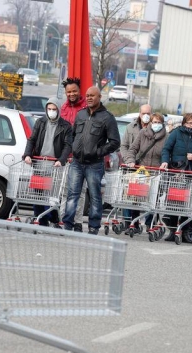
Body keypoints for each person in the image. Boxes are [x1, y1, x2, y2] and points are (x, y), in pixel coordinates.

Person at [63, 86, 119, 235]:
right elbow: (73, 135)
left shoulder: (107, 118)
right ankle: (67, 224)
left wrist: (98, 152)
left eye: (92, 96)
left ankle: (94, 227)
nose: (88, 98)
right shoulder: (80, 115)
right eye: (87, 95)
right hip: (76, 162)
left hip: (95, 164)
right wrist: (73, 148)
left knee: (95, 197)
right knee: (72, 195)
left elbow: (115, 142)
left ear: (99, 97)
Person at [23, 97, 73, 226]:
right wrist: (27, 154)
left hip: (54, 165)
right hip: (39, 163)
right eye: (49, 109)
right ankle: (41, 219)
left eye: (54, 109)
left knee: (51, 196)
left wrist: (61, 160)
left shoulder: (65, 126)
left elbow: (68, 145)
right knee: (38, 194)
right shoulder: (40, 122)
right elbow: (32, 139)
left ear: (58, 110)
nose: (51, 111)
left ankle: (54, 218)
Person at [160, 113, 192, 243]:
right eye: (189, 123)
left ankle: (188, 231)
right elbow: (166, 149)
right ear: (184, 123)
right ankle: (173, 229)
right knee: (174, 202)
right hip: (176, 172)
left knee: (189, 204)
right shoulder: (176, 134)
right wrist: (165, 161)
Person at [124, 112, 168, 230]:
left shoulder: (166, 137)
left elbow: (167, 152)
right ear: (150, 123)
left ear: (163, 124)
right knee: (136, 198)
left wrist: (165, 163)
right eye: (154, 122)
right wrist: (130, 160)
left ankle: (150, 224)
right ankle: (135, 223)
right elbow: (132, 149)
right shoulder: (142, 133)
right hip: (142, 171)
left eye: (159, 123)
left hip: (156, 173)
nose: (156, 124)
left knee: (154, 199)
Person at [60, 77, 87, 232]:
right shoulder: (63, 108)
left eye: (74, 91)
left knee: (80, 191)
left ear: (79, 91)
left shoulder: (86, 108)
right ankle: (65, 219)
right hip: (66, 155)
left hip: (81, 156)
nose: (71, 94)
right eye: (68, 92)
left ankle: (77, 221)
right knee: (64, 190)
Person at [121, 104, 152, 230]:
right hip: (132, 167)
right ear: (139, 114)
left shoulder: (156, 129)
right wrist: (129, 160)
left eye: (148, 113)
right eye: (143, 113)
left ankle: (150, 225)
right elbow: (124, 146)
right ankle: (129, 223)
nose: (146, 116)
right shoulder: (130, 127)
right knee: (129, 196)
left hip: (148, 169)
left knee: (147, 197)